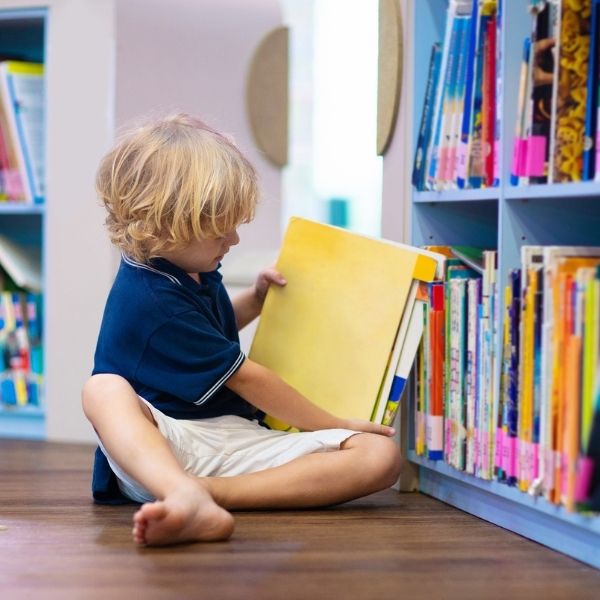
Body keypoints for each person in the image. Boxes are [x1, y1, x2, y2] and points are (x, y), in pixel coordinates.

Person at [82, 113, 403, 547]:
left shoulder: (186, 265)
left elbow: (205, 336)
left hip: (231, 439)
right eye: (218, 231)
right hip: (165, 447)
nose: (232, 240)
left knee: (380, 457)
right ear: (167, 226)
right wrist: (333, 423)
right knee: (103, 389)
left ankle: (203, 497)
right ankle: (180, 489)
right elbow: (248, 377)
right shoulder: (150, 299)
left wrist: (252, 300)